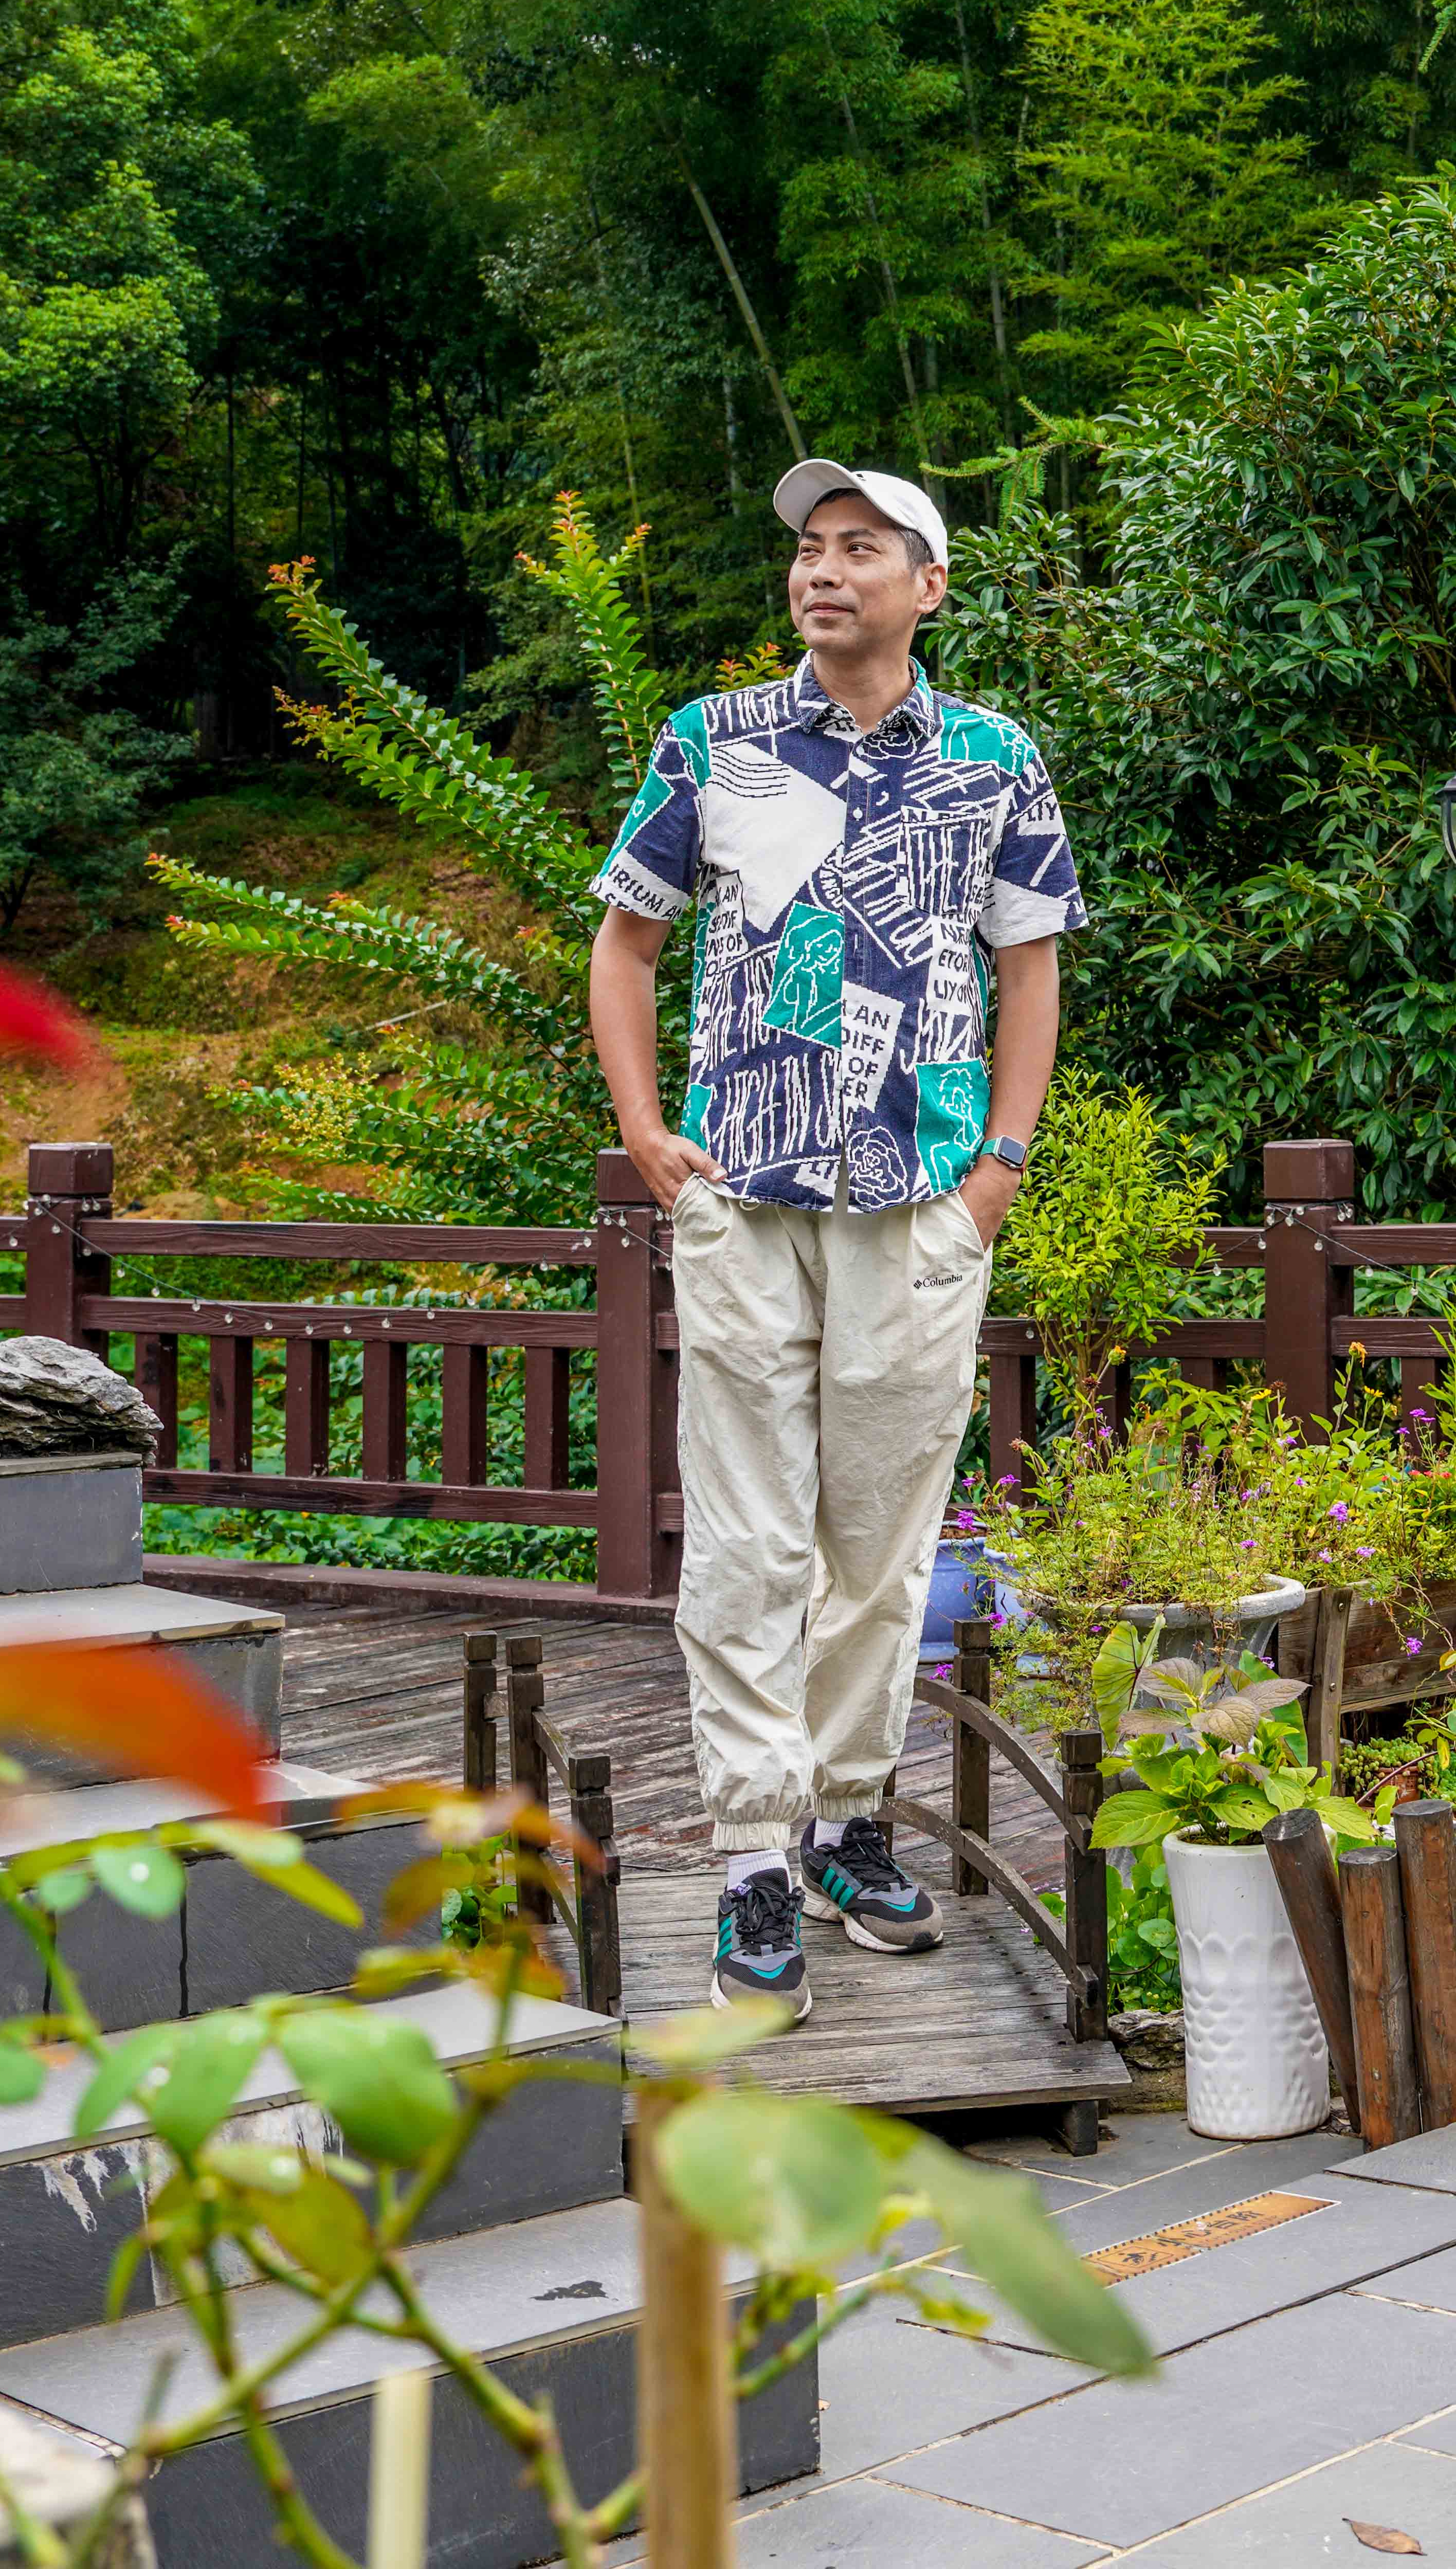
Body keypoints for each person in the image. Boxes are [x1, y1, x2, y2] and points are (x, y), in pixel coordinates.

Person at [585, 460, 1081, 2018]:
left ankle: (851, 1822)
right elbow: (626, 939)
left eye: (862, 549)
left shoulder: (996, 760)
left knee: (879, 1544)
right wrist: (649, 1137)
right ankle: (749, 1853)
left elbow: (1032, 967)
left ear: (928, 584)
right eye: (809, 548)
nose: (825, 571)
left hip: (921, 1203)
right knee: (747, 1539)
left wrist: (1000, 1162)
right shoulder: (710, 741)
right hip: (741, 1196)